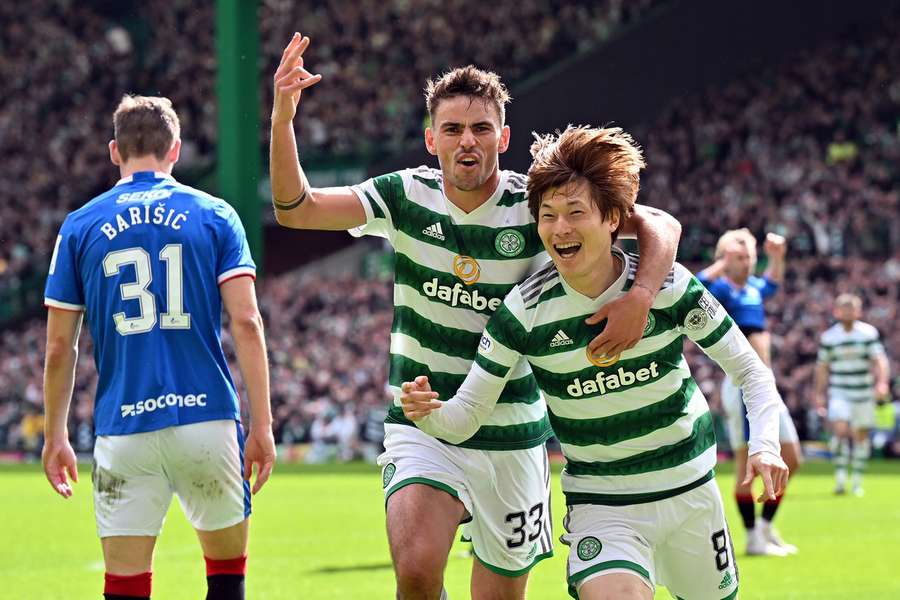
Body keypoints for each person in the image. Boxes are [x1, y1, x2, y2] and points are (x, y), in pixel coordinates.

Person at [270, 33, 681, 600]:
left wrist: (640, 296)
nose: (468, 140)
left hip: (512, 431)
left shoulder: (537, 204)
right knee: (416, 570)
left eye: (481, 128)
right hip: (422, 416)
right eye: (454, 129)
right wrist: (283, 117)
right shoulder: (403, 196)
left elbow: (661, 223)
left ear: (504, 138)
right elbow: (296, 208)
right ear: (430, 138)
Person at [400, 125, 790, 600]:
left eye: (575, 213)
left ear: (612, 219)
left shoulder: (667, 288)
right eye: (547, 216)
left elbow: (751, 372)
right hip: (604, 508)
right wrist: (431, 412)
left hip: (691, 495)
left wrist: (765, 445)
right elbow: (466, 416)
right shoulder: (522, 313)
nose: (560, 228)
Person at [42, 95, 275, 600]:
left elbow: (61, 348)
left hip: (124, 427)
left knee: (125, 588)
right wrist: (263, 424)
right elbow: (247, 322)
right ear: (176, 150)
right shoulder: (215, 215)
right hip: (207, 420)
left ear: (113, 151)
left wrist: (55, 434)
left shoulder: (79, 226)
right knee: (227, 581)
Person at [697, 228, 802, 556]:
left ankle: (766, 527)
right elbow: (696, 284)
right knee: (747, 464)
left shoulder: (753, 288)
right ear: (725, 259)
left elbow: (772, 282)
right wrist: (722, 261)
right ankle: (753, 536)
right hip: (742, 384)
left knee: (792, 458)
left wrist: (777, 256)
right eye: (739, 258)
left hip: (765, 384)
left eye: (748, 258)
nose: (746, 264)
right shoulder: (720, 289)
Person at [814, 293, 890, 496]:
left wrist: (882, 383)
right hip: (840, 391)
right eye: (844, 309)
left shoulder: (868, 333)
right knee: (839, 431)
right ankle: (840, 478)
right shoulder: (829, 337)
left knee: (861, 437)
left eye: (852, 308)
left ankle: (856, 481)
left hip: (863, 392)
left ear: (858, 311)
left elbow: (879, 360)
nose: (848, 312)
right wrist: (819, 393)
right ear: (836, 311)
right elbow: (822, 367)